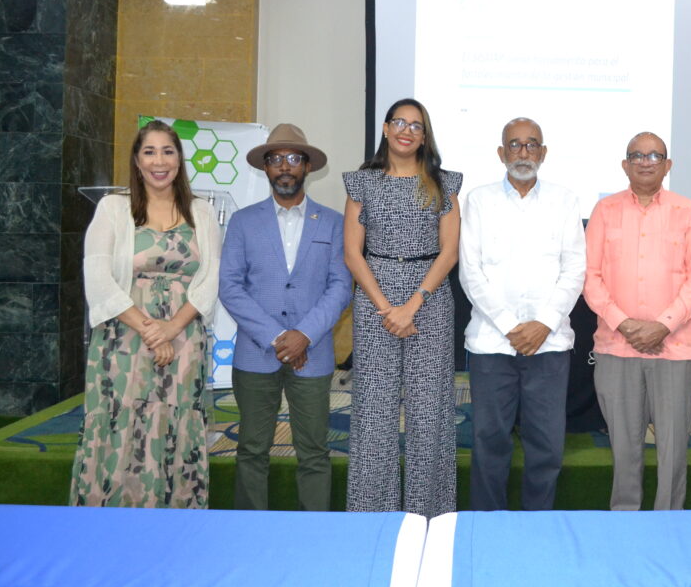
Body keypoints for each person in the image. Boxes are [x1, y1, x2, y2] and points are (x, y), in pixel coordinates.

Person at [70, 120, 220, 507]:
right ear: (137, 161)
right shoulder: (113, 208)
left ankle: (176, 528)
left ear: (180, 159)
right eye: (149, 151)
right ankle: (113, 528)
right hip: (124, 341)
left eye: (167, 151)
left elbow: (209, 280)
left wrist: (172, 329)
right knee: (121, 427)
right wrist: (152, 331)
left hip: (184, 339)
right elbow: (98, 276)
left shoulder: (201, 212)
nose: (159, 160)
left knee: (177, 426)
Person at [218, 123, 351, 511]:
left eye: (294, 158)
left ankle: (316, 532)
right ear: (265, 168)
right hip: (256, 354)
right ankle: (252, 532)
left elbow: (341, 286)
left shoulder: (331, 222)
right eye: (276, 160)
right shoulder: (243, 222)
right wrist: (279, 337)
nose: (285, 167)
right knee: (251, 448)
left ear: (308, 166)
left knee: (313, 450)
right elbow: (230, 287)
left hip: (313, 353)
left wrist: (304, 335)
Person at [343, 98, 462, 518]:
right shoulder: (363, 182)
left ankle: (427, 516)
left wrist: (411, 305)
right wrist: (386, 308)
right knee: (374, 416)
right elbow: (353, 255)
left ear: (424, 135)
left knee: (429, 415)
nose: (406, 131)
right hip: (375, 302)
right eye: (399, 122)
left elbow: (448, 253)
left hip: (428, 301)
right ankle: (371, 519)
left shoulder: (444, 183)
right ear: (386, 129)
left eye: (416, 125)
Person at [460, 118, 586, 511]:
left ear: (544, 153)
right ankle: (486, 527)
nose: (524, 152)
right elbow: (470, 271)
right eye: (515, 145)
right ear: (501, 153)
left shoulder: (565, 200)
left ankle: (538, 526)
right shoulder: (478, 200)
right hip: (492, 343)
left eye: (532, 145)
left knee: (546, 445)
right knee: (489, 442)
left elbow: (575, 269)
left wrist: (543, 324)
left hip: (549, 344)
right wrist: (511, 326)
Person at [583, 132, 691, 511]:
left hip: (676, 348)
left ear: (667, 165)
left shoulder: (686, 211)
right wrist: (625, 324)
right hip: (616, 347)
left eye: (654, 155)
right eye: (636, 155)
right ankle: (626, 523)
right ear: (625, 165)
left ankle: (667, 525)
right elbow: (590, 277)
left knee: (673, 451)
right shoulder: (605, 212)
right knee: (624, 448)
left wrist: (662, 326)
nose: (645, 161)